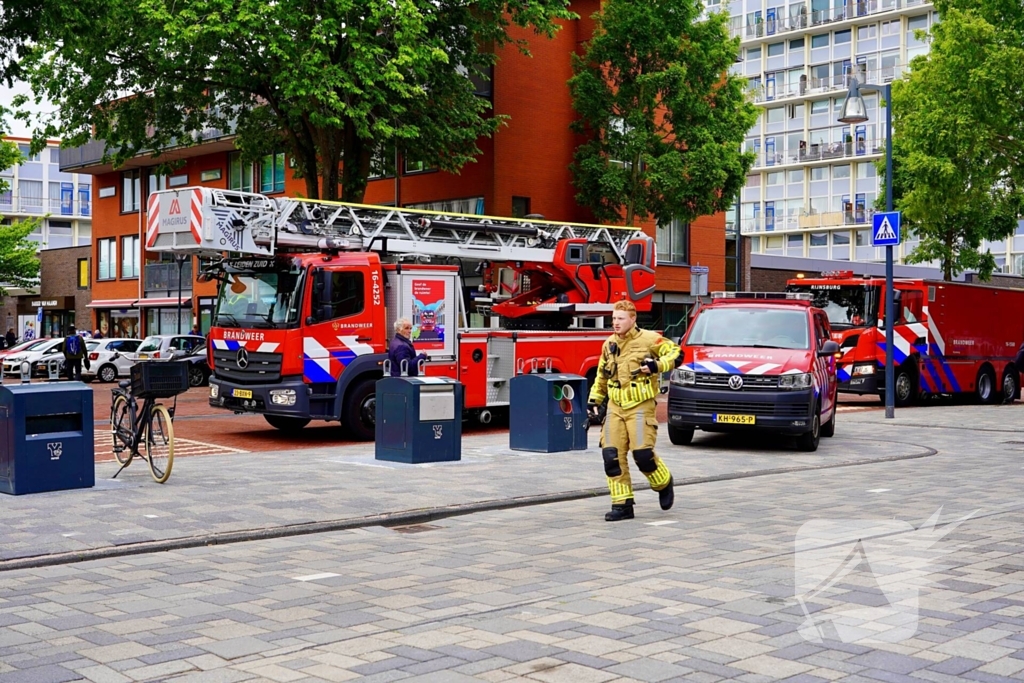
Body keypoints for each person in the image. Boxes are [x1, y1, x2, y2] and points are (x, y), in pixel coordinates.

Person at [588, 300, 680, 521]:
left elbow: (676, 353)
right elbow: (602, 374)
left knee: (643, 455)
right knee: (611, 456)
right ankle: (622, 505)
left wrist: (657, 365)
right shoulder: (608, 344)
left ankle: (663, 482)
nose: (615, 322)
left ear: (632, 319)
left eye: (620, 318)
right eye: (613, 318)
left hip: (640, 405)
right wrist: (594, 400)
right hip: (615, 407)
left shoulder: (650, 339)